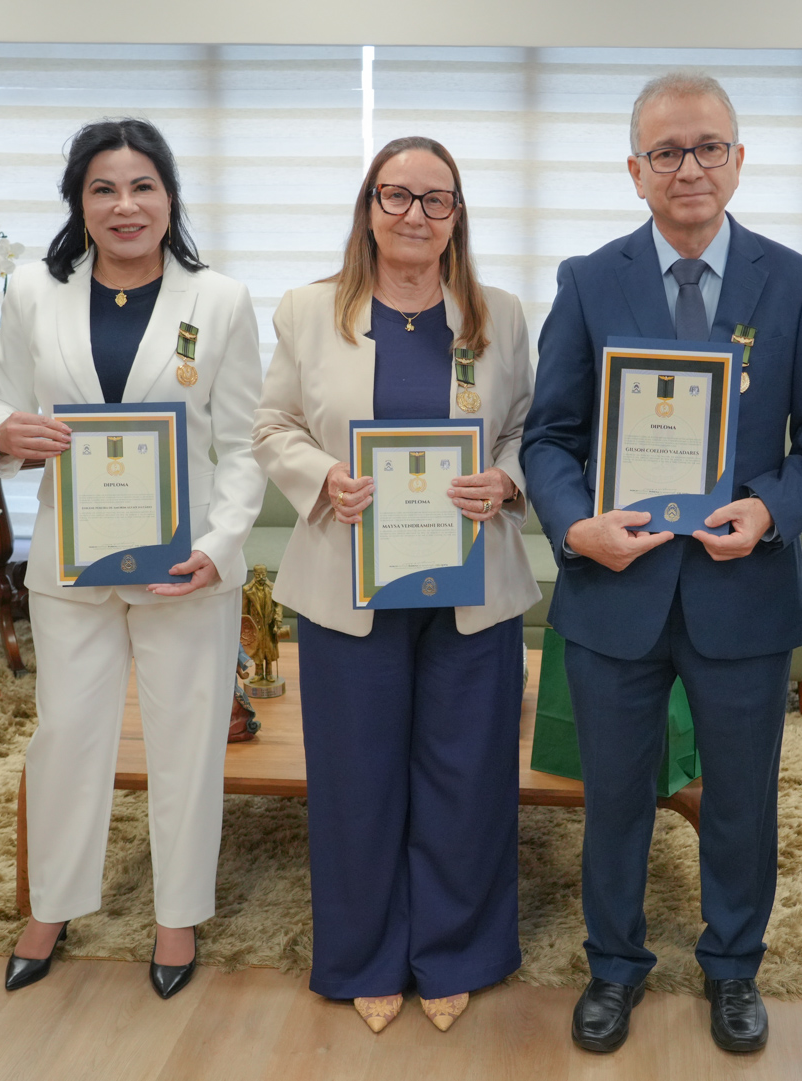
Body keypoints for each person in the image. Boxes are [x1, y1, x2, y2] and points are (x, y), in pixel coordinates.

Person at [521, 72, 802, 1055]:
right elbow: (548, 436)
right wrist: (574, 524)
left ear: (739, 160)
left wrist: (773, 508)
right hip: (614, 590)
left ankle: (732, 966)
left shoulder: (793, 282)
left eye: (709, 146)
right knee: (617, 793)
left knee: (742, 798)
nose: (690, 168)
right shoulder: (588, 280)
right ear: (635, 171)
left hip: (742, 590)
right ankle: (615, 965)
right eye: (667, 151)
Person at [0, 118, 265, 1000]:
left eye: (143, 186)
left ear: (170, 197)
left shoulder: (219, 300)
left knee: (185, 742)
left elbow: (244, 442)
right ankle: (52, 906)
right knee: (67, 735)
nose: (125, 205)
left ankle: (177, 916)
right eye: (104, 188)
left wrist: (220, 546)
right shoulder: (34, 290)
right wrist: (3, 433)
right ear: (80, 201)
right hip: (72, 560)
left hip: (185, 568)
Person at [251, 136, 539, 1034]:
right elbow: (272, 426)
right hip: (349, 581)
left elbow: (532, 424)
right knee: (356, 777)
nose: (415, 214)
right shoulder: (307, 311)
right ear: (368, 206)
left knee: (467, 772)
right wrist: (319, 479)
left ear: (457, 215)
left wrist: (506, 478)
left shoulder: (499, 313)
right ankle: (366, 953)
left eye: (436, 199)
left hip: (470, 581)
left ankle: (453, 950)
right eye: (397, 196)